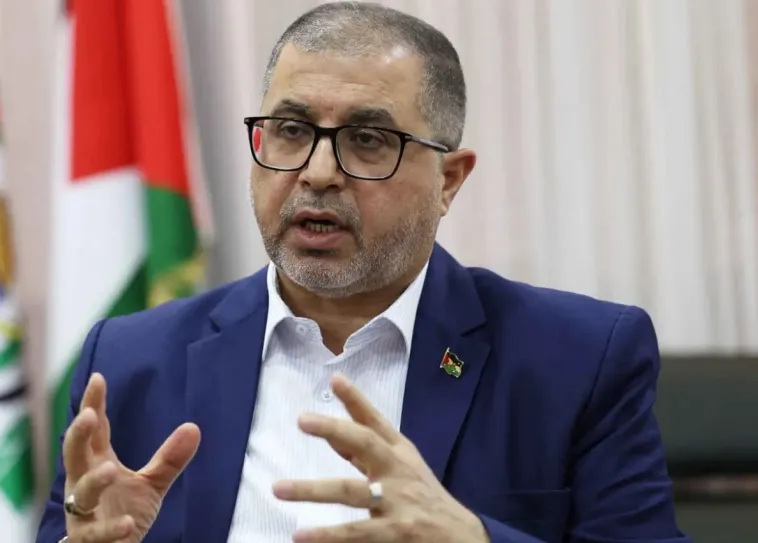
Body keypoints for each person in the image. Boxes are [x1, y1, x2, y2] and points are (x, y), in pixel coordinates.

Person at [36, 3, 691, 542]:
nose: (318, 172)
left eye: (368, 140)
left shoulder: (576, 360)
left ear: (449, 180)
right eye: (291, 129)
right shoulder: (130, 361)